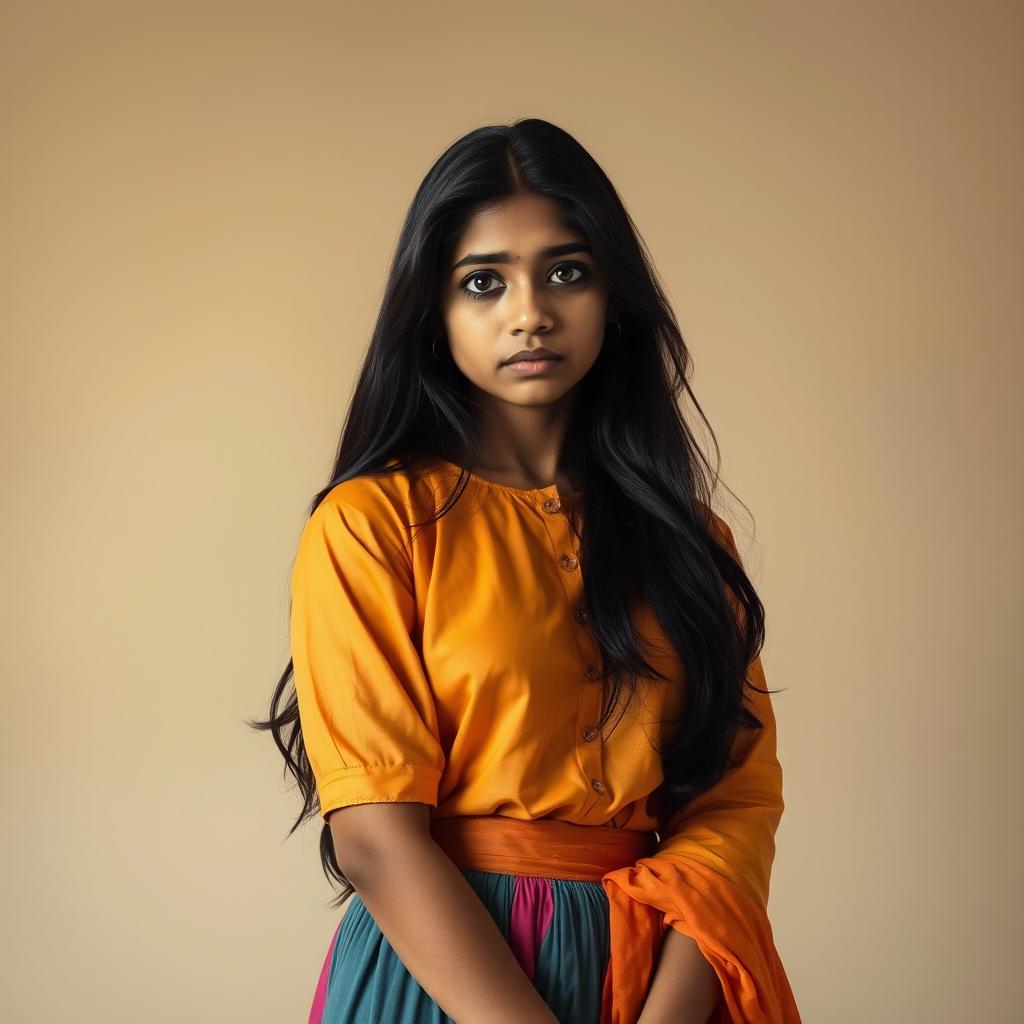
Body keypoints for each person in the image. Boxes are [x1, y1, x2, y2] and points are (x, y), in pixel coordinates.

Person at [251, 118, 801, 1024]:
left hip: (650, 970)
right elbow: (378, 843)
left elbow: (737, 803)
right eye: (483, 282)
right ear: (433, 314)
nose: (530, 310)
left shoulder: (690, 542)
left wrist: (666, 1013)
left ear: (613, 298)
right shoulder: (371, 526)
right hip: (444, 979)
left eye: (567, 272)